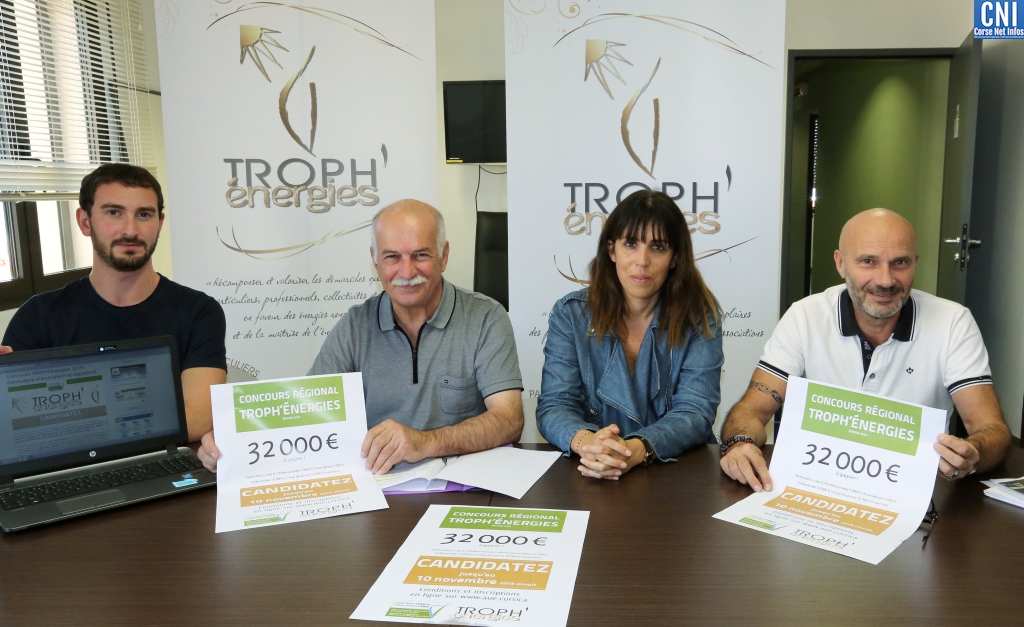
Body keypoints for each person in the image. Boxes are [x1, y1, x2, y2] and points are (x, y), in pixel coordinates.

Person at [199, 199, 524, 474]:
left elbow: (509, 419)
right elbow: (306, 412)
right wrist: (230, 441)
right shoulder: (355, 327)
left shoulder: (485, 317)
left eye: (421, 255)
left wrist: (424, 442)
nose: (407, 272)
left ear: (445, 255)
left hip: (465, 487)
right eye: (392, 257)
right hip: (381, 488)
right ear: (375, 260)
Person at [719, 208, 1011, 492]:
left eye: (900, 263)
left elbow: (991, 429)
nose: (885, 280)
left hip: (910, 493)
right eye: (868, 261)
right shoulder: (805, 316)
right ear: (841, 263)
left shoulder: (952, 322)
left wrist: (973, 452)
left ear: (915, 263)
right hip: (816, 486)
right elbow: (753, 409)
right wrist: (740, 443)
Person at [1, 163, 227, 442]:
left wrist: (77, 428)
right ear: (85, 222)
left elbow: (199, 417)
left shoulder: (199, 311)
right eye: (114, 213)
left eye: (144, 214)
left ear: (159, 223)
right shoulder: (38, 315)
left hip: (163, 469)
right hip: (73, 474)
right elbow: (17, 425)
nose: (130, 230)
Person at [537, 190, 724, 480]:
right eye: (631, 244)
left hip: (676, 474)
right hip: (592, 471)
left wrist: (635, 450)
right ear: (612, 251)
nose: (642, 261)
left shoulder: (699, 318)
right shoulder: (570, 314)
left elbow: (695, 412)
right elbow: (555, 405)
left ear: (675, 258)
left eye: (658, 247)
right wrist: (589, 445)